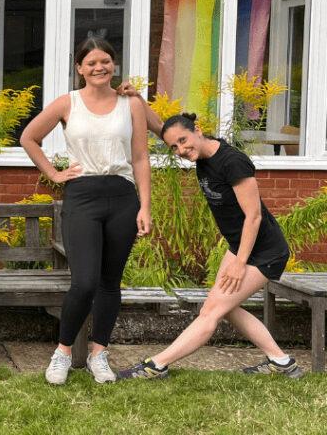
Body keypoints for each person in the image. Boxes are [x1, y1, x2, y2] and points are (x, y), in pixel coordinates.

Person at [118, 112, 303, 380]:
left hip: (264, 251)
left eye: (183, 141)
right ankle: (281, 361)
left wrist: (240, 263)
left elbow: (254, 217)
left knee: (211, 312)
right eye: (174, 147)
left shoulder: (233, 162)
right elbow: (166, 129)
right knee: (226, 310)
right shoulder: (201, 155)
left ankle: (156, 365)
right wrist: (137, 100)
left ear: (198, 130)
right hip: (239, 245)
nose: (181, 150)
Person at [20, 37, 152, 385]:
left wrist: (145, 207)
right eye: (91, 62)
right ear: (79, 68)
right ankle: (62, 353)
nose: (99, 67)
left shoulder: (130, 103)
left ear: (114, 65)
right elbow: (28, 138)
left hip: (123, 196)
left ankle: (99, 354)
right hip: (82, 195)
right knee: (84, 281)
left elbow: (140, 157)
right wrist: (54, 173)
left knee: (110, 282)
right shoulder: (68, 103)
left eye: (105, 61)